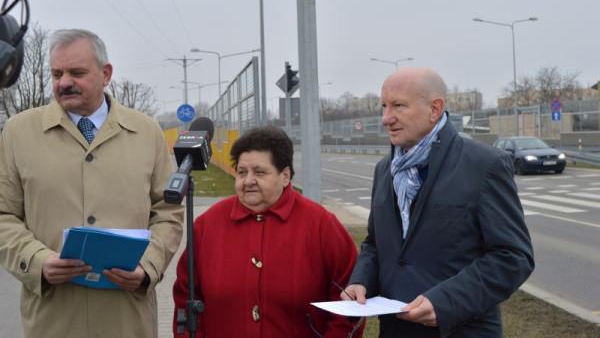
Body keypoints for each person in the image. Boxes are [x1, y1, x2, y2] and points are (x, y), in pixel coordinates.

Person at [0, 29, 183, 337]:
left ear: (106, 73)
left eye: (77, 72)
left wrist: (147, 268)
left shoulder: (147, 132)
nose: (64, 82)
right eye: (56, 73)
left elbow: (168, 211)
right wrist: (37, 261)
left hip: (126, 317)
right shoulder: (18, 133)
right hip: (53, 319)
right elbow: (3, 215)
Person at [342, 67, 534, 337]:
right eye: (383, 106)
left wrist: (446, 302)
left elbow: (513, 257)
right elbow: (375, 244)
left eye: (398, 106)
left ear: (435, 109)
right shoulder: (384, 169)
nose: (386, 118)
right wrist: (361, 281)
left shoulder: (484, 165)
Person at [172, 126, 363, 338]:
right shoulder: (208, 225)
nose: (248, 180)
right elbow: (185, 296)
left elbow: (348, 302)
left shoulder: (321, 225)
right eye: (242, 172)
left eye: (260, 172)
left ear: (285, 176)